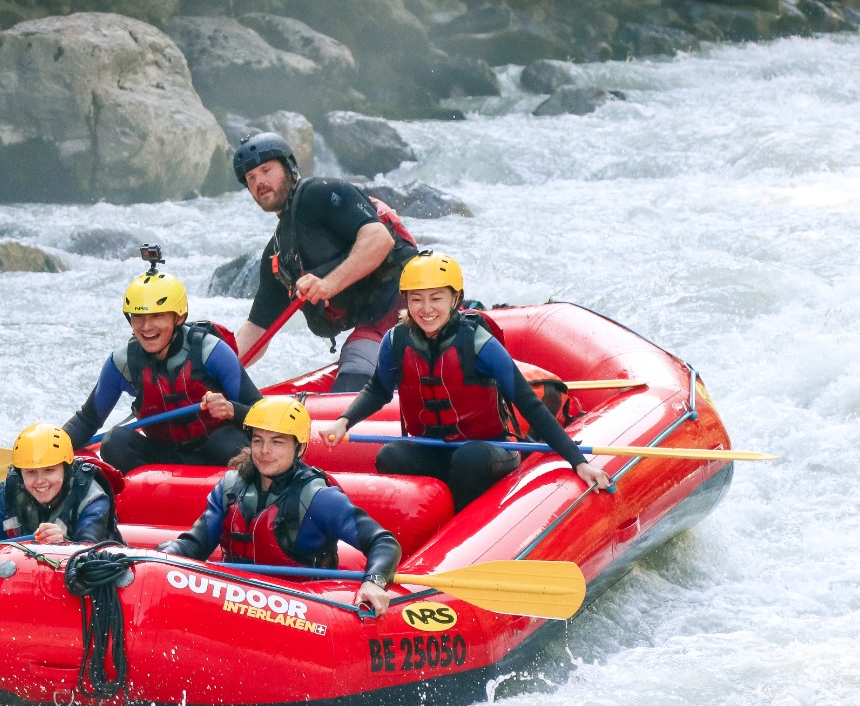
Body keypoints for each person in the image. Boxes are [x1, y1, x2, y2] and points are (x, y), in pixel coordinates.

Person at [316, 252, 612, 509]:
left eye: (436, 298)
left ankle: (465, 522)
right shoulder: (396, 340)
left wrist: (578, 461)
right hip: (432, 448)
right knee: (392, 456)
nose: (426, 308)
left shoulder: (478, 342)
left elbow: (529, 403)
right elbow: (378, 390)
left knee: (469, 459)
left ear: (455, 298)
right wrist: (344, 421)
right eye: (416, 299)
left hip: (489, 450)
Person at [158, 396, 401, 616]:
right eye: (258, 440)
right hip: (234, 604)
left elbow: (384, 542)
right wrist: (157, 557)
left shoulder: (318, 498)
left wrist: (375, 581)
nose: (265, 451)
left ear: (299, 448)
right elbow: (195, 544)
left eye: (277, 442)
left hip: (300, 614)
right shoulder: (231, 488)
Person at [230, 132, 419, 393]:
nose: (259, 181)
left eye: (266, 170)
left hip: (405, 303)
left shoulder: (323, 193)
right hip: (373, 322)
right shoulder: (278, 255)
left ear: (288, 167)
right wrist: (217, 374)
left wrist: (328, 285)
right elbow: (257, 329)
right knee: (356, 358)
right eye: (251, 178)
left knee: (355, 368)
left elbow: (379, 238)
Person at [63, 269, 262, 474]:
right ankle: (149, 497)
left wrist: (232, 409)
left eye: (157, 316)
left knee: (228, 442)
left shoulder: (211, 351)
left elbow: (264, 413)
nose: (146, 327)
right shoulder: (122, 362)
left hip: (217, 453)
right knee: (114, 441)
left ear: (179, 317)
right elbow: (87, 420)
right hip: (163, 456)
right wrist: (47, 450)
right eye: (138, 317)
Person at [0, 423, 119, 556]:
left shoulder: (91, 496)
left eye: (49, 470)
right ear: (21, 474)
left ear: (66, 470)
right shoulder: (10, 490)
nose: (39, 481)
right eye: (30, 472)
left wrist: (64, 544)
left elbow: (90, 549)